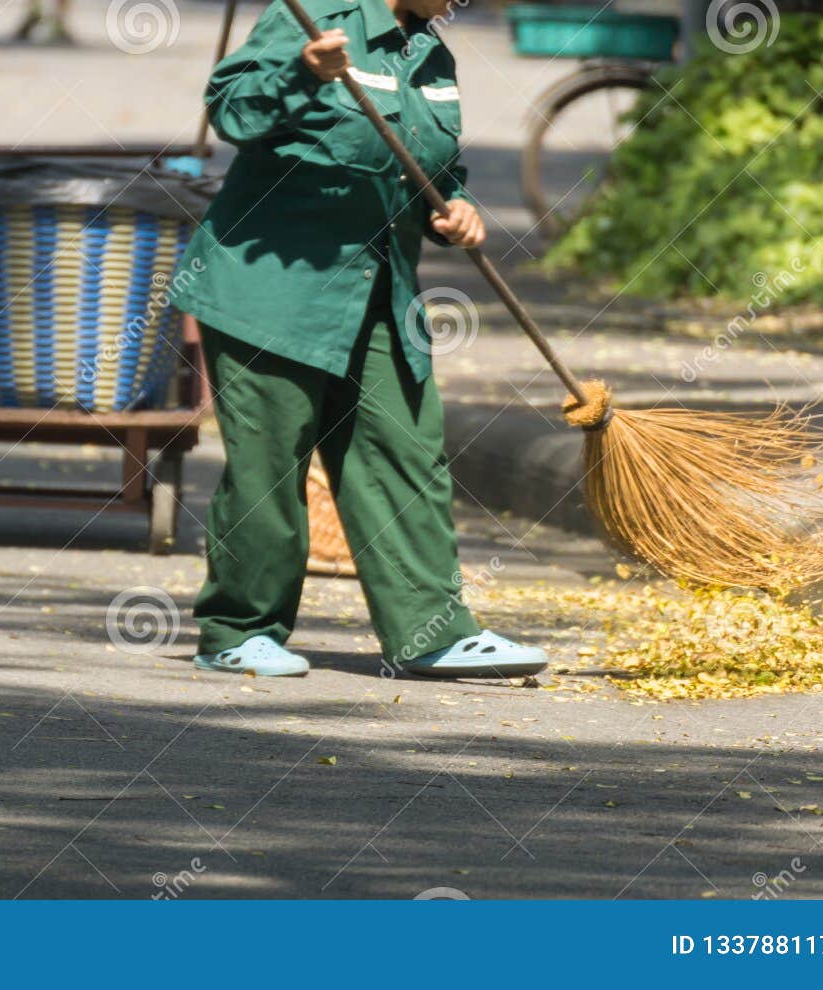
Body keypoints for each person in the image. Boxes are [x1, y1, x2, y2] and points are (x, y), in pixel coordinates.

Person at [171, 0, 549, 679]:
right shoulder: (314, 18)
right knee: (269, 465)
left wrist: (452, 210)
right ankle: (239, 630)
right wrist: (301, 73)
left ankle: (432, 634)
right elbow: (232, 111)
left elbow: (429, 167)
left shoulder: (431, 56)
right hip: (273, 287)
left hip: (381, 291)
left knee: (406, 452)